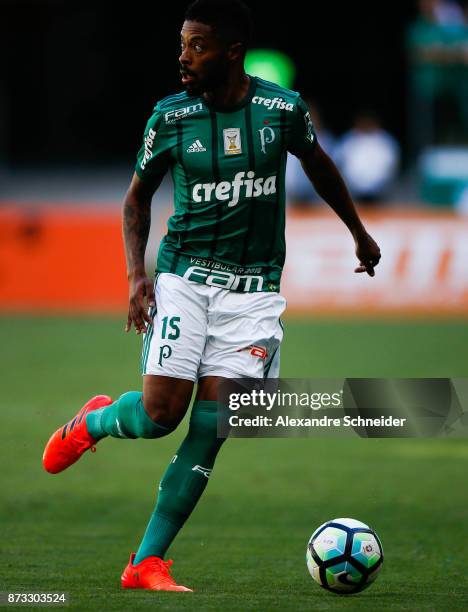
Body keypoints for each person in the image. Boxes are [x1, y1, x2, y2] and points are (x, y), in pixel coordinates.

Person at [42, 0, 381, 593]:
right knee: (159, 417)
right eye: (182, 43)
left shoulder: (282, 110)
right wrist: (135, 277)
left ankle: (145, 563)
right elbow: (135, 198)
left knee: (214, 425)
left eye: (196, 45)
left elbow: (320, 165)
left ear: (231, 52)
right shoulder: (169, 118)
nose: (183, 56)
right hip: (183, 280)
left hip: (253, 293)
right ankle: (94, 421)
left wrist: (357, 231)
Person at [333, 112, 400, 204]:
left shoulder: (386, 141)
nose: (366, 124)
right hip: (352, 192)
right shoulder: (348, 139)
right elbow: (338, 163)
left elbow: (391, 166)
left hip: (381, 193)